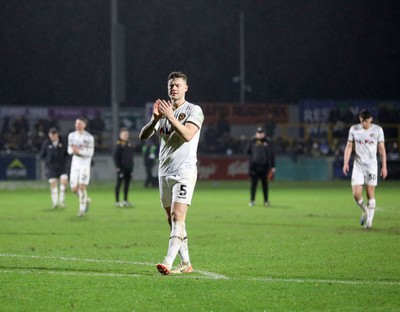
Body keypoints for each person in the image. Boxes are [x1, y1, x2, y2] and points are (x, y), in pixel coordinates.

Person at [139, 71, 204, 275]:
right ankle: (186, 263)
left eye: (177, 85)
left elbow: (187, 135)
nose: (173, 88)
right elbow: (143, 136)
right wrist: (154, 119)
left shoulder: (194, 110)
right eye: (171, 85)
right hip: (164, 172)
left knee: (178, 216)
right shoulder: (163, 110)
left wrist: (170, 117)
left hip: (184, 171)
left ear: (186, 88)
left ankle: (167, 261)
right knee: (171, 219)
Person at [343, 109, 387, 229]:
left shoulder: (378, 130)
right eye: (362, 121)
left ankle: (369, 223)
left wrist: (384, 166)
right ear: (359, 119)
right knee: (356, 194)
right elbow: (349, 146)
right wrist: (346, 163)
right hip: (358, 165)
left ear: (371, 119)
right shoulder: (354, 129)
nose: (364, 124)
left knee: (370, 193)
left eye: (366, 121)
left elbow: (381, 149)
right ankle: (366, 210)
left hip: (372, 166)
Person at [67, 117, 95, 217]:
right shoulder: (71, 135)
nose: (77, 125)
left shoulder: (89, 137)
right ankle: (85, 200)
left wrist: (79, 151)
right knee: (74, 189)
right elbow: (69, 150)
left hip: (84, 165)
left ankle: (82, 210)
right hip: (75, 164)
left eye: (79, 123)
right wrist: (73, 151)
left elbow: (90, 153)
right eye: (76, 123)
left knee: (82, 188)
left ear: (84, 125)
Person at [245, 127, 276, 207]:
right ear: (256, 134)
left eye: (261, 133)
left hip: (264, 167)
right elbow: (246, 152)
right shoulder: (252, 141)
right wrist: (251, 161)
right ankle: (252, 200)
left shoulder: (267, 142)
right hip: (254, 167)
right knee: (253, 185)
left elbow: (271, 155)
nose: (259, 134)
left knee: (265, 185)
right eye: (258, 133)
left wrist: (272, 166)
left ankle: (266, 201)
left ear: (264, 134)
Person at [39, 128, 69, 208]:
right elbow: (42, 155)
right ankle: (55, 203)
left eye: (54, 135)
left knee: (63, 184)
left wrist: (65, 161)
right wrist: (47, 161)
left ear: (57, 134)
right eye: (50, 135)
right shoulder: (46, 143)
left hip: (62, 166)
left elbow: (67, 154)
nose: (52, 137)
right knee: (53, 185)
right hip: (51, 167)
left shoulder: (63, 142)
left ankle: (62, 202)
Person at [113, 127, 134, 207]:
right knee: (119, 184)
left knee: (126, 185)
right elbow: (115, 157)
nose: (126, 136)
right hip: (121, 169)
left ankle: (125, 201)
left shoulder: (129, 144)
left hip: (128, 169)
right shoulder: (118, 145)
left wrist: (131, 169)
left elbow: (131, 157)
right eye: (124, 134)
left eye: (127, 134)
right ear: (120, 135)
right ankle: (117, 201)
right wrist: (118, 167)